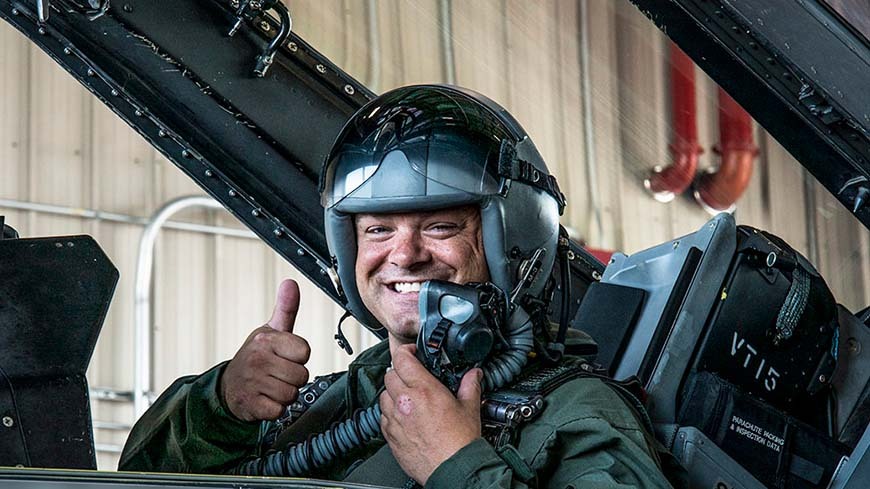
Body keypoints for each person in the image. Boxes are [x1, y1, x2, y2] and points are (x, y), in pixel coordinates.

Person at [119, 85, 676, 488]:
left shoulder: (577, 416)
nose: (404, 255)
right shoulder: (354, 394)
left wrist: (457, 466)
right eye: (378, 230)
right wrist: (222, 407)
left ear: (514, 241)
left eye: (440, 226)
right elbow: (135, 482)